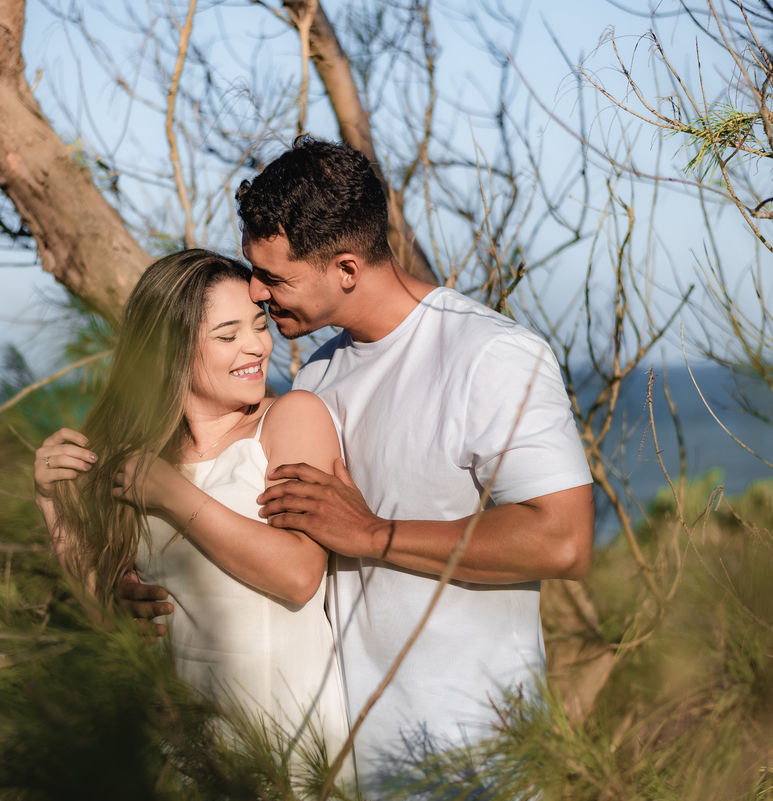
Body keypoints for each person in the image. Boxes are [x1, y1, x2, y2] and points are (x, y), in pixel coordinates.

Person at [231, 137, 596, 781]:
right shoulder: (315, 380)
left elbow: (563, 539)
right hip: (346, 759)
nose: (257, 292)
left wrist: (372, 533)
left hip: (476, 759)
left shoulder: (490, 355)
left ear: (346, 268)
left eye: (275, 277)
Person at [32, 249, 351, 779]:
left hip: (291, 748)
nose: (256, 346)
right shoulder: (137, 461)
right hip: (185, 756)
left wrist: (173, 496)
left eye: (257, 325)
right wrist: (52, 502)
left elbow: (299, 574)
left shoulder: (289, 419)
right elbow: (114, 616)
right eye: (227, 336)